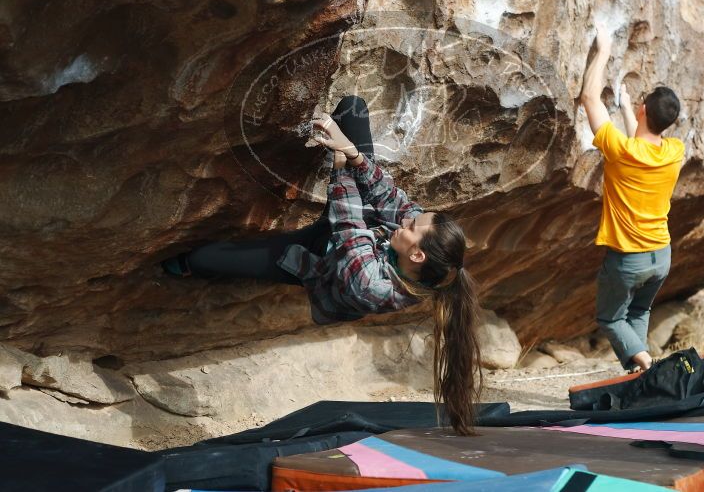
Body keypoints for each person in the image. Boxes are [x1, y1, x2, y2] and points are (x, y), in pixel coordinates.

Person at [161, 96, 482, 435]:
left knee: (201, 258)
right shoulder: (418, 249)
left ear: (417, 254)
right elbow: (392, 201)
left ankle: (186, 266)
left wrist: (341, 161)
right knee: (354, 108)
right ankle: (341, 137)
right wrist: (355, 154)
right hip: (355, 231)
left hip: (318, 261)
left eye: (413, 226)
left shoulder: (372, 286)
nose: (410, 220)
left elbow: (347, 226)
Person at [580, 24, 685, 372]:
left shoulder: (621, 152)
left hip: (629, 260)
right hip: (661, 256)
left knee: (610, 318)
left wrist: (604, 50)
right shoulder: (674, 150)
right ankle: (640, 378)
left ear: (644, 110)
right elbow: (641, 144)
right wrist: (626, 108)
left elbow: (589, 99)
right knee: (639, 312)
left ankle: (647, 364)